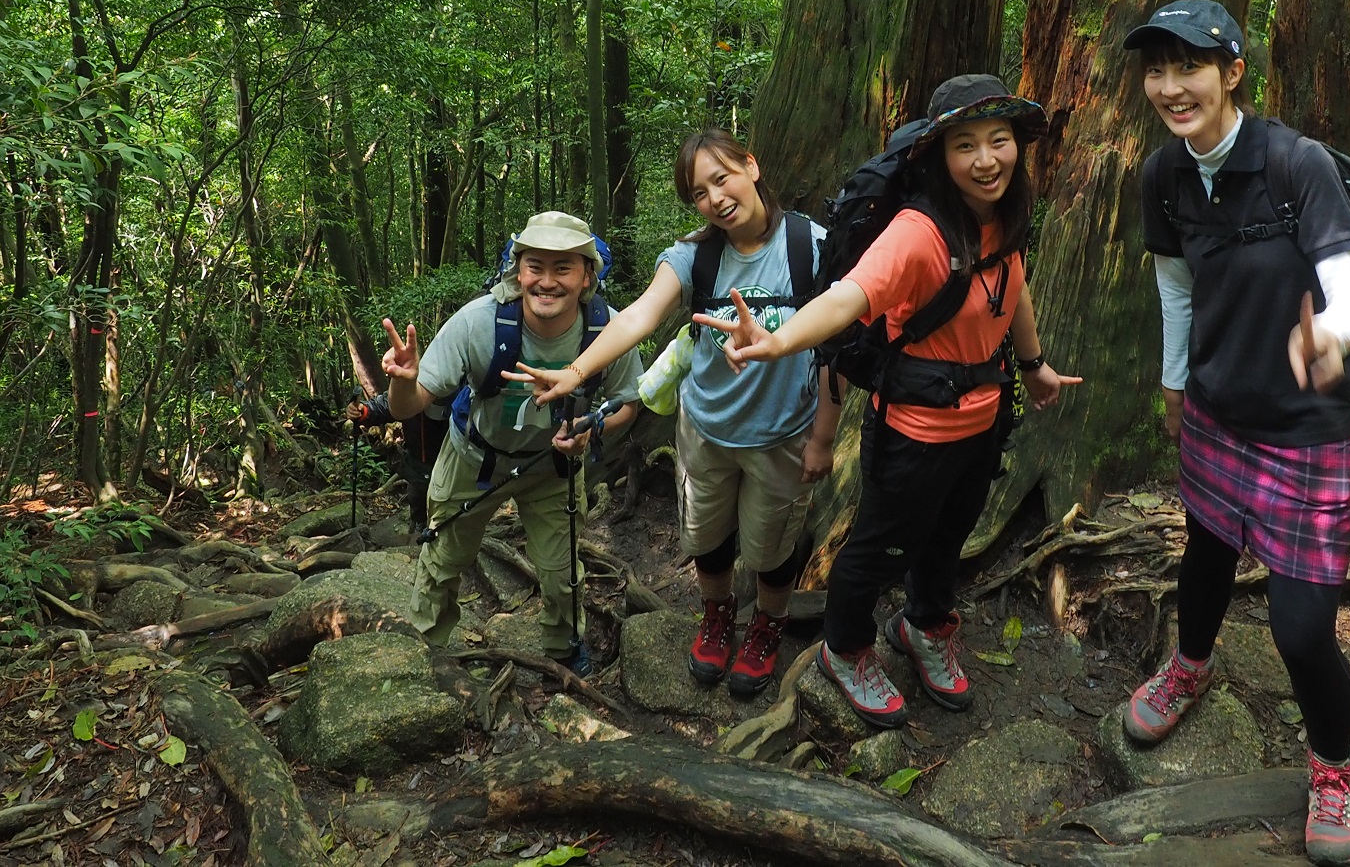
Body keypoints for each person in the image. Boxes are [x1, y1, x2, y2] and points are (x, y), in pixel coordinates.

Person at [705, 74, 1081, 729]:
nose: (986, 159)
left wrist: (1034, 365)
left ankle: (926, 625)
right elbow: (850, 297)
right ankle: (846, 649)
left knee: (951, 534)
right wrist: (778, 339)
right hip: (912, 431)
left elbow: (1012, 287)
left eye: (999, 140)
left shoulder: (1005, 217)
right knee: (879, 547)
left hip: (985, 417)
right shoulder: (918, 232)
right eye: (966, 145)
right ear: (941, 155)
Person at [1122, 0, 1350, 867]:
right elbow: (1176, 290)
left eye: (1187, 66)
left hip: (1311, 429)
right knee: (1204, 548)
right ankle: (1189, 665)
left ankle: (1336, 769)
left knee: (1301, 630)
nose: (1169, 86)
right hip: (1219, 409)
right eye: (1155, 70)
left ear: (1232, 72)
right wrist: (1174, 383)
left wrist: (1329, 338)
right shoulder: (1162, 176)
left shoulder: (1297, 165)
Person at [509, 129, 840, 697]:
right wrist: (578, 371)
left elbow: (840, 344)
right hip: (705, 430)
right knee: (706, 540)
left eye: (722, 177)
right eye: (699, 192)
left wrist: (823, 438)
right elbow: (640, 315)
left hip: (784, 434)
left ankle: (765, 626)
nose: (714, 197)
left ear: (752, 166)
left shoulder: (811, 245)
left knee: (772, 550)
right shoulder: (693, 256)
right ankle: (716, 617)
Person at [380, 211, 642, 675]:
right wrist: (405, 380)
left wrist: (591, 430)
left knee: (562, 575)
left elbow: (628, 402)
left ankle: (564, 654)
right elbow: (409, 406)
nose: (546, 282)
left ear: (587, 277)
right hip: (473, 459)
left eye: (563, 268)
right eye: (535, 266)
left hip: (552, 468)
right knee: (443, 561)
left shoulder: (610, 331)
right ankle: (425, 656)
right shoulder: (478, 323)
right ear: (517, 271)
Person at [348, 361, 449, 534]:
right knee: (417, 495)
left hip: (450, 461)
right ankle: (418, 525)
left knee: (446, 503)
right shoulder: (408, 394)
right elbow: (383, 405)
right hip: (418, 460)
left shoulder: (457, 394)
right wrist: (362, 411)